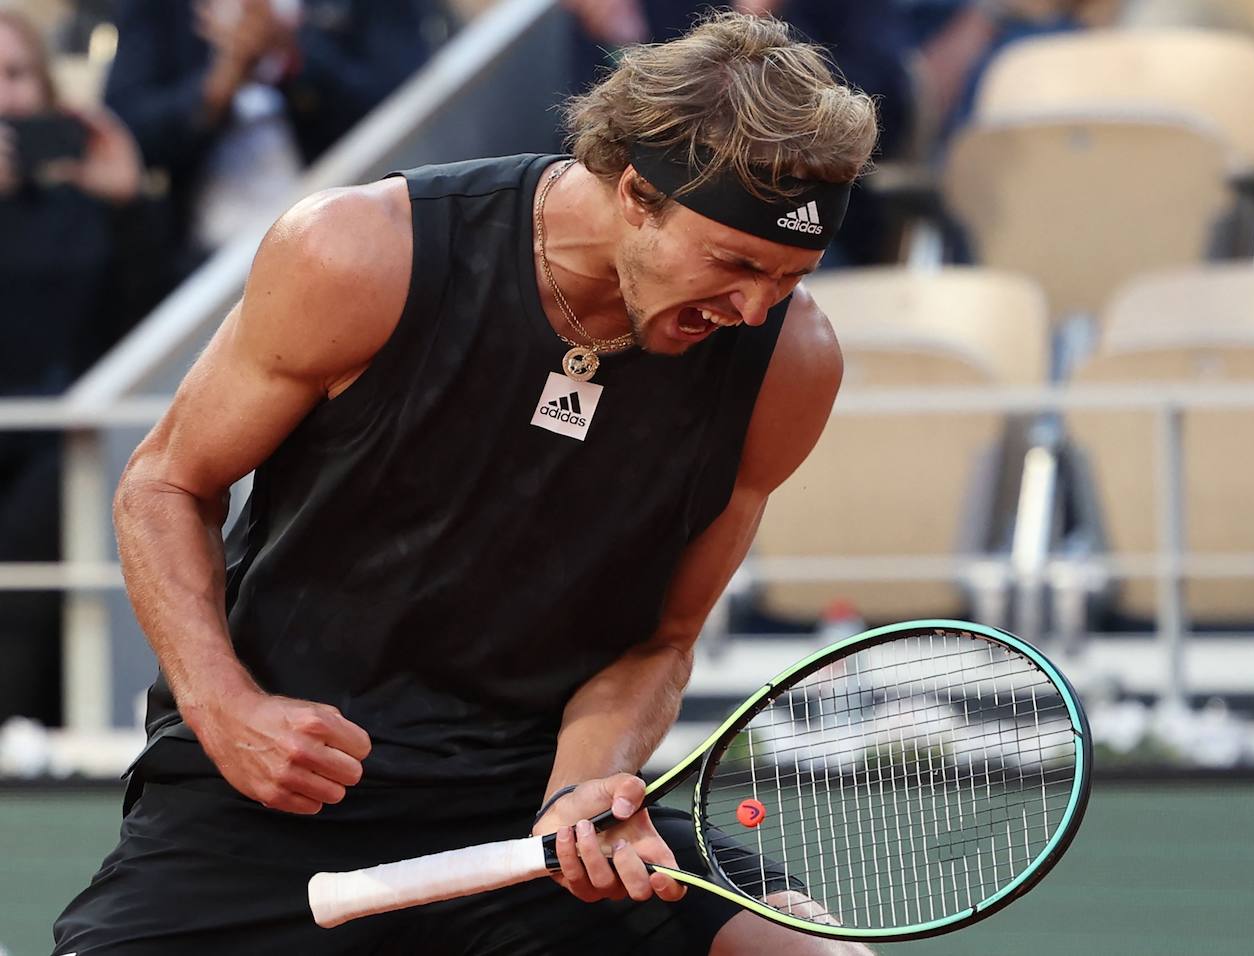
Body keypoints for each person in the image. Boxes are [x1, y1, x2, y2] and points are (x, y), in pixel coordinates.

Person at [53, 12, 879, 954]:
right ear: (636, 194)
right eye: (736, 262)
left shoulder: (789, 361)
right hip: (284, 784)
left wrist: (582, 788)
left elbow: (663, 636)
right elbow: (163, 485)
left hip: (526, 806)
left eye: (790, 275)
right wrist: (223, 707)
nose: (756, 306)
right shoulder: (361, 252)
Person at [0, 7, 149, 726]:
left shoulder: (85, 207)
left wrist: (130, 201)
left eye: (13, 75)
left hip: (59, 450)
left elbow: (144, 323)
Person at [103, 0, 447, 279]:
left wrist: (293, 60)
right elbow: (122, 137)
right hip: (205, 267)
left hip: (355, 247)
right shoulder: (157, 10)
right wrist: (214, 91)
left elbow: (410, 108)